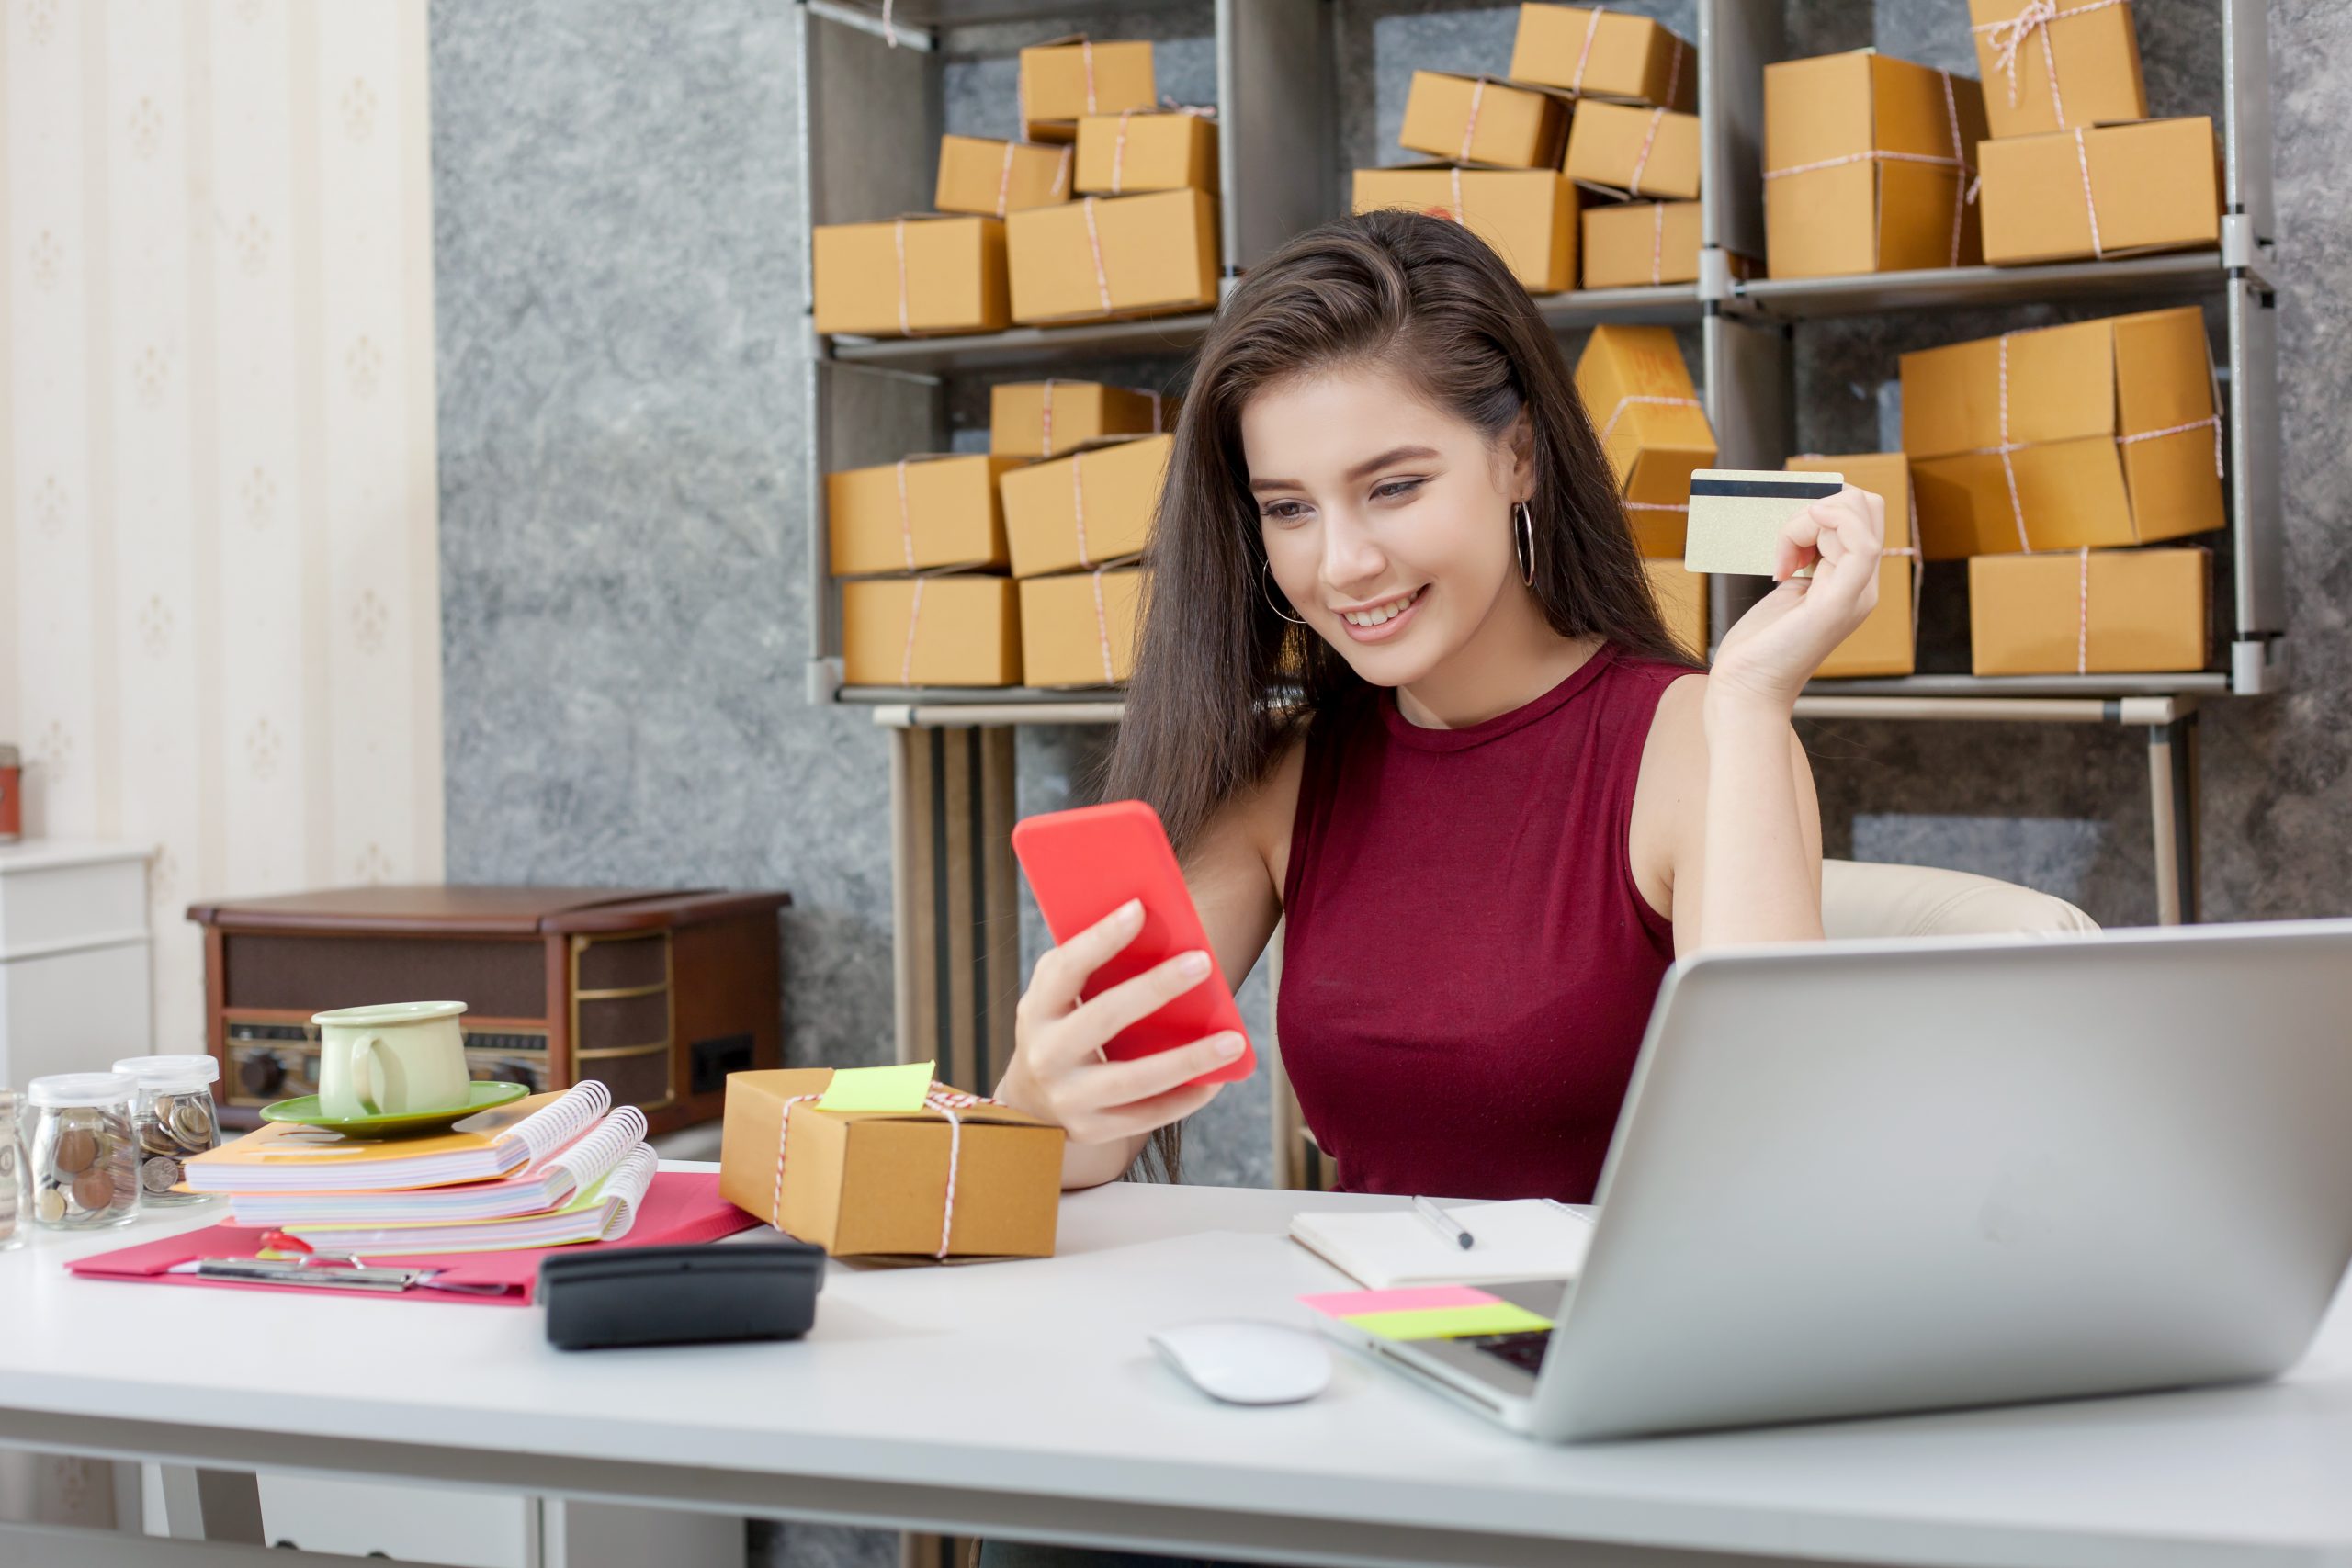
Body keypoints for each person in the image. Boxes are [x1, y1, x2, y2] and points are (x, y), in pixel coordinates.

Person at [975, 211, 1883, 1568]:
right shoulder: (1287, 774)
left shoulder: (1698, 738)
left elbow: (1778, 1169)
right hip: (1371, 1394)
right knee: (1056, 1526)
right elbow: (1080, 1143)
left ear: (1517, 454)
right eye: (1289, 509)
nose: (1342, 563)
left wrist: (1756, 696)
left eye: (1393, 487)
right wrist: (1045, 1095)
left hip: (1615, 1426)